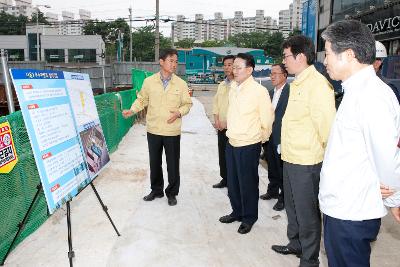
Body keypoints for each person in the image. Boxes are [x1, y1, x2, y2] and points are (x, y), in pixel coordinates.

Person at [319, 19, 400, 267]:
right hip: (343, 206)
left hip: (351, 212)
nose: (325, 61)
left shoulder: (371, 96)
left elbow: (386, 156)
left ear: (349, 55)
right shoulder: (356, 91)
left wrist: (395, 199)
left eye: (329, 53)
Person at [271, 35, 336, 267]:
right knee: (293, 208)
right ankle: (295, 244)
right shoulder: (297, 83)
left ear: (300, 56)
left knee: (307, 214)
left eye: (286, 56)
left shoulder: (318, 86)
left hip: (307, 162)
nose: (284, 61)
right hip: (290, 158)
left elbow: (328, 130)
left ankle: (309, 260)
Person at [122, 48, 193, 206]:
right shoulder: (149, 82)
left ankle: (172, 193)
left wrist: (179, 113)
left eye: (176, 61)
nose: (174, 64)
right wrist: (132, 110)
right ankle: (156, 190)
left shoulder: (180, 84)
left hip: (172, 131)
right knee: (155, 162)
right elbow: (141, 100)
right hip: (153, 129)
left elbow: (187, 104)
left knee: (173, 163)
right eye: (171, 61)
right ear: (161, 62)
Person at [219, 53, 274, 234]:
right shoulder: (234, 87)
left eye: (238, 67)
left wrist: (260, 139)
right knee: (233, 182)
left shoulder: (259, 92)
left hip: (249, 144)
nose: (234, 71)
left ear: (249, 70)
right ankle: (237, 211)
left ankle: (249, 217)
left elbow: (267, 119)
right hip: (232, 142)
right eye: (233, 67)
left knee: (248, 183)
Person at [259, 64, 289, 211]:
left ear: (284, 75)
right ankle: (272, 191)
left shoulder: (290, 92)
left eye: (276, 73)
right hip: (269, 137)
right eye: (271, 73)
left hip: (282, 138)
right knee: (271, 166)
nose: (272, 76)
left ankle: (283, 198)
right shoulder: (269, 93)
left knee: (282, 169)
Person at [212, 55, 235, 189]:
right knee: (222, 155)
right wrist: (216, 121)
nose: (227, 67)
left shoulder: (238, 85)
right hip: (221, 127)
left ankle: (233, 182)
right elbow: (216, 104)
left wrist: (227, 123)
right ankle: (225, 179)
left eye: (230, 64)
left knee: (232, 157)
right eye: (225, 65)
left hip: (233, 128)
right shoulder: (221, 84)